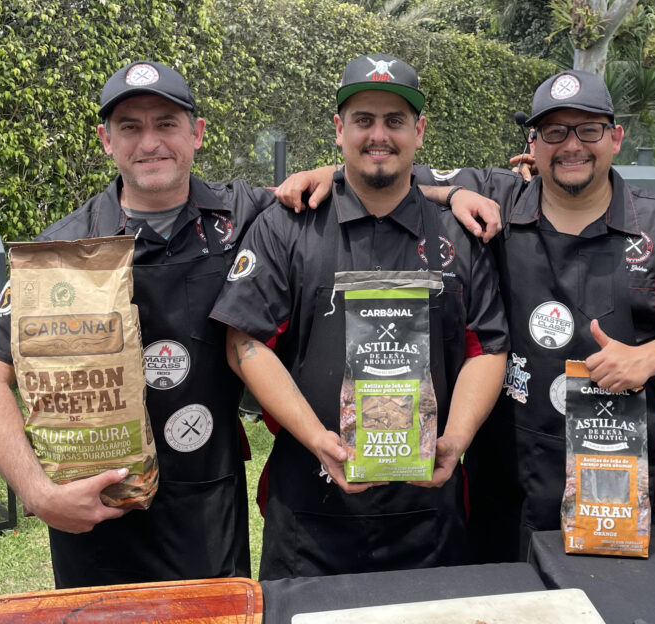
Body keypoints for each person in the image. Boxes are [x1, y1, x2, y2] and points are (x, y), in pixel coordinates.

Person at [0, 61, 322, 587]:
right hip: (99, 509)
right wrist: (39, 495)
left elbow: (372, 179)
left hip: (208, 500)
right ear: (107, 141)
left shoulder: (248, 216)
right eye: (130, 127)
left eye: (166, 123)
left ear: (196, 133)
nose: (150, 142)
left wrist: (448, 190)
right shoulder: (63, 250)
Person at [384, 69, 655, 560]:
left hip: (618, 468)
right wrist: (454, 192)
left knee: (610, 602)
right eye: (554, 132)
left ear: (616, 138)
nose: (572, 145)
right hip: (506, 467)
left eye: (588, 130)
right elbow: (385, 171)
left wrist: (648, 358)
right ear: (533, 143)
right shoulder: (498, 201)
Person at [210, 54, 509, 580]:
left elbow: (488, 347)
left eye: (395, 121)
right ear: (338, 129)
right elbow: (244, 342)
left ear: (418, 131)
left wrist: (456, 439)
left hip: (427, 517)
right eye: (363, 120)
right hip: (310, 515)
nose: (379, 135)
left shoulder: (458, 235)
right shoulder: (288, 226)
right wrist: (317, 439)